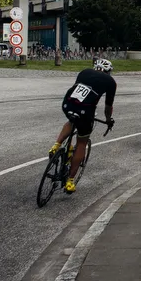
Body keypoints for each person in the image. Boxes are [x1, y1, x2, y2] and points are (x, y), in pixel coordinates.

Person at [52, 57, 116, 194]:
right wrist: (108, 120)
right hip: (85, 110)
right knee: (82, 142)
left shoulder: (84, 72)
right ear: (108, 71)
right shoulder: (110, 81)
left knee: (72, 121)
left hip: (67, 103)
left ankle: (56, 145)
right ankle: (70, 181)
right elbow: (108, 107)